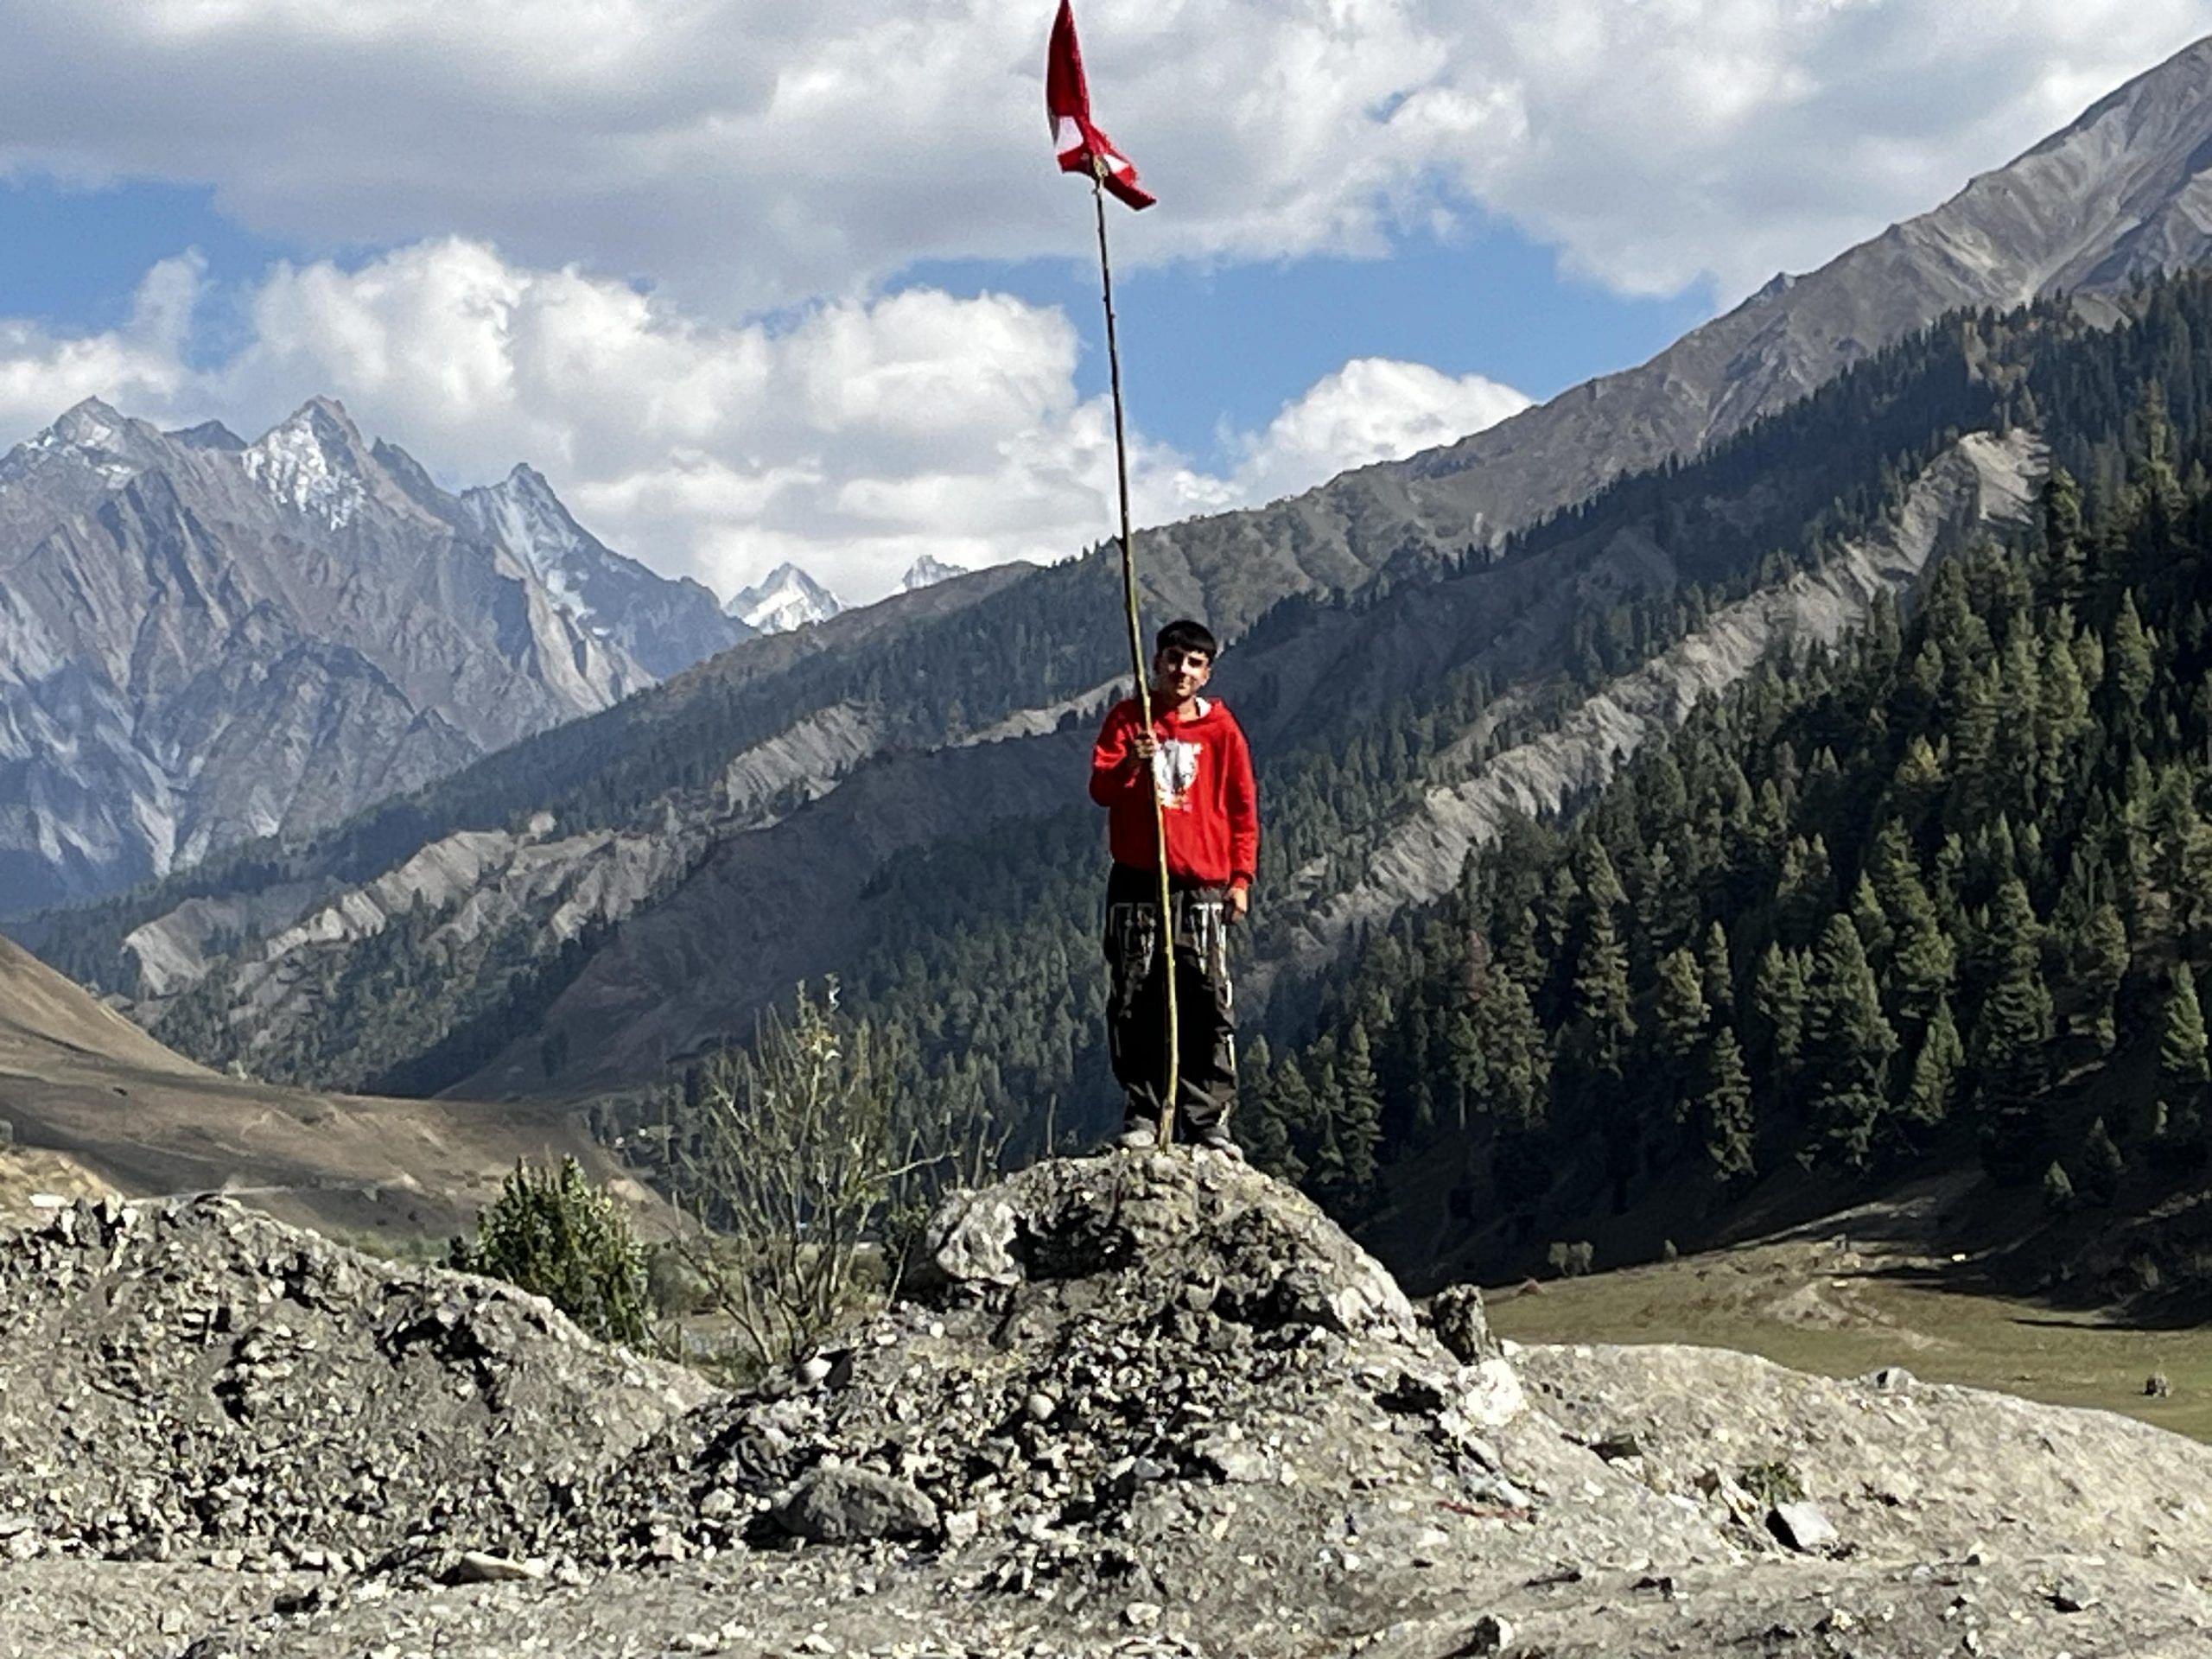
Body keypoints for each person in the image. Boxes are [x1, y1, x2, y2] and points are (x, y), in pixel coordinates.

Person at [1088, 618, 1259, 1156]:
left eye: (1193, 663)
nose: (1181, 670)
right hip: (1139, 881)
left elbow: (1241, 807)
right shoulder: (1128, 720)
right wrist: (1133, 764)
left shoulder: (1222, 732)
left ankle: (1207, 1118)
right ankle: (1142, 1111)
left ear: (1207, 673)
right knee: (1137, 995)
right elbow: (1101, 789)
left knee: (1206, 997)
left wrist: (1240, 878)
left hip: (1203, 883)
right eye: (1173, 659)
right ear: (1156, 661)